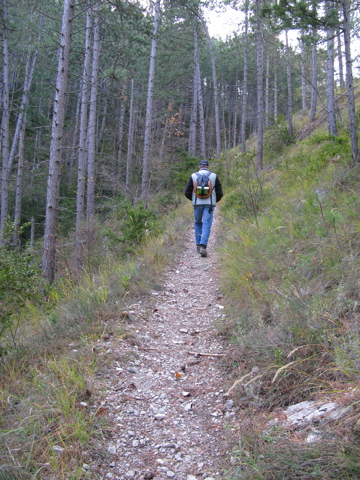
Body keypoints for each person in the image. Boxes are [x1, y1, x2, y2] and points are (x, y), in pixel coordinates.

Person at [184, 159, 223, 257]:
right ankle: (203, 246)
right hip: (209, 205)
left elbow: (187, 192)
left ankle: (198, 245)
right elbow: (220, 193)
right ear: (208, 167)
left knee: (198, 223)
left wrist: (194, 200)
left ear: (199, 167)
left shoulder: (193, 176)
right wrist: (213, 201)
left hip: (197, 204)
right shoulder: (213, 176)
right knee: (207, 224)